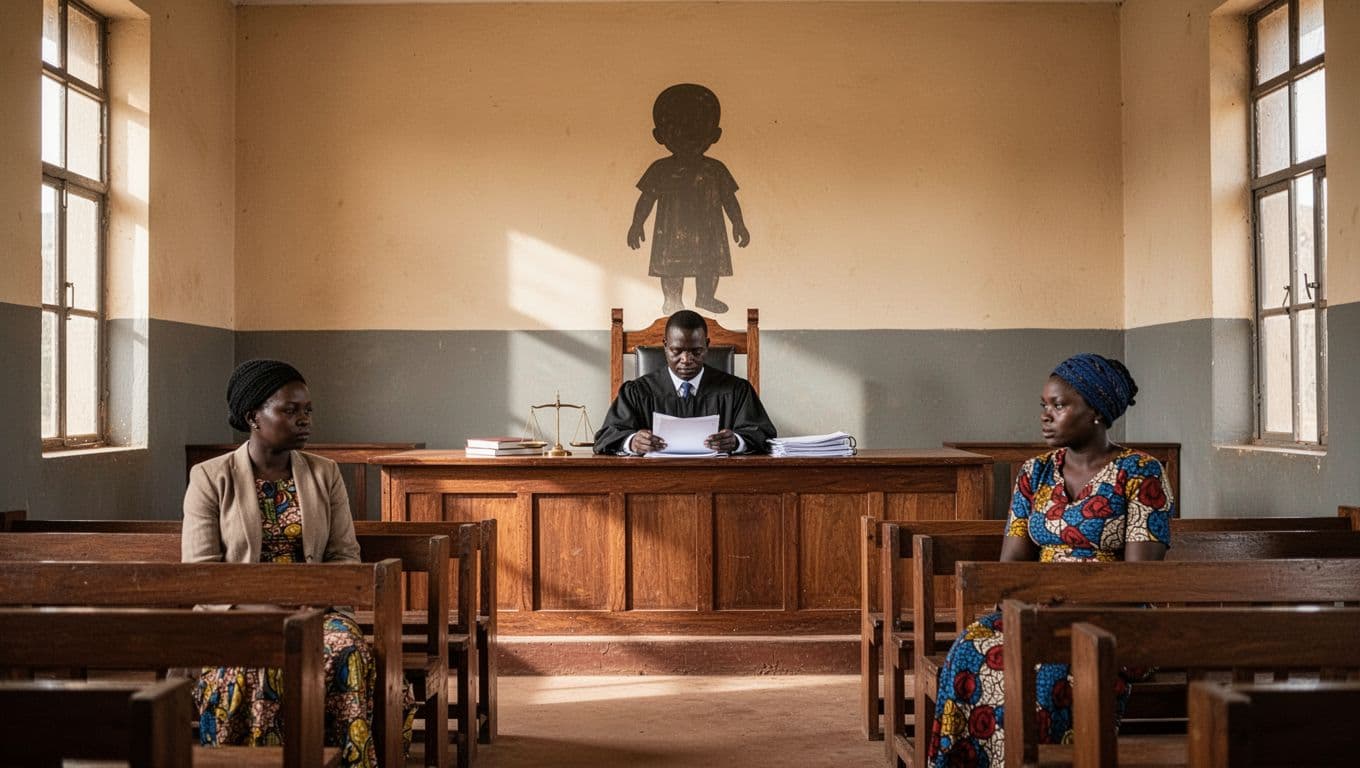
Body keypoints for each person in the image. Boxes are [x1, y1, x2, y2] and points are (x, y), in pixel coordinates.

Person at [927, 353, 1175, 767]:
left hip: (1112, 618)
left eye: (1059, 406)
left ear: (1095, 411)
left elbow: (1139, 580)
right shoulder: (1035, 473)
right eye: (1044, 405)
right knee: (968, 650)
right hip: (1038, 610)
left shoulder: (1140, 472)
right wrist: (1030, 609)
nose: (1046, 415)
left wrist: (1068, 606)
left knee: (1044, 676)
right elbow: (1012, 566)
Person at [182, 359, 412, 767]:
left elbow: (345, 555)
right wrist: (262, 609)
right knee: (252, 665)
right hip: (237, 615)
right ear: (253, 416)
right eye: (290, 410)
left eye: (307, 410)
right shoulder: (210, 477)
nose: (304, 420)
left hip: (319, 612)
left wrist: (313, 604)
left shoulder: (325, 474)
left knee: (346, 652)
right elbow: (202, 573)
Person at [627, 83, 750, 315]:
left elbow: (729, 199)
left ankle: (705, 296)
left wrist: (738, 223)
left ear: (714, 135)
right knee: (671, 267)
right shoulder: (661, 169)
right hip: (671, 230)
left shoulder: (715, 169)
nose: (687, 137)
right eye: (678, 130)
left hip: (708, 232)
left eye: (697, 130)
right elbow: (646, 198)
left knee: (709, 265)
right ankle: (672, 299)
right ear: (660, 136)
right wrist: (637, 223)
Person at [594, 310, 776, 455]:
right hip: (653, 482)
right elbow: (607, 436)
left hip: (720, 480)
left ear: (707, 345)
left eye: (696, 351)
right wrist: (632, 441)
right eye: (677, 351)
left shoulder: (737, 390)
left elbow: (764, 434)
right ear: (665, 345)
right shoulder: (637, 392)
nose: (686, 359)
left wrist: (737, 441)